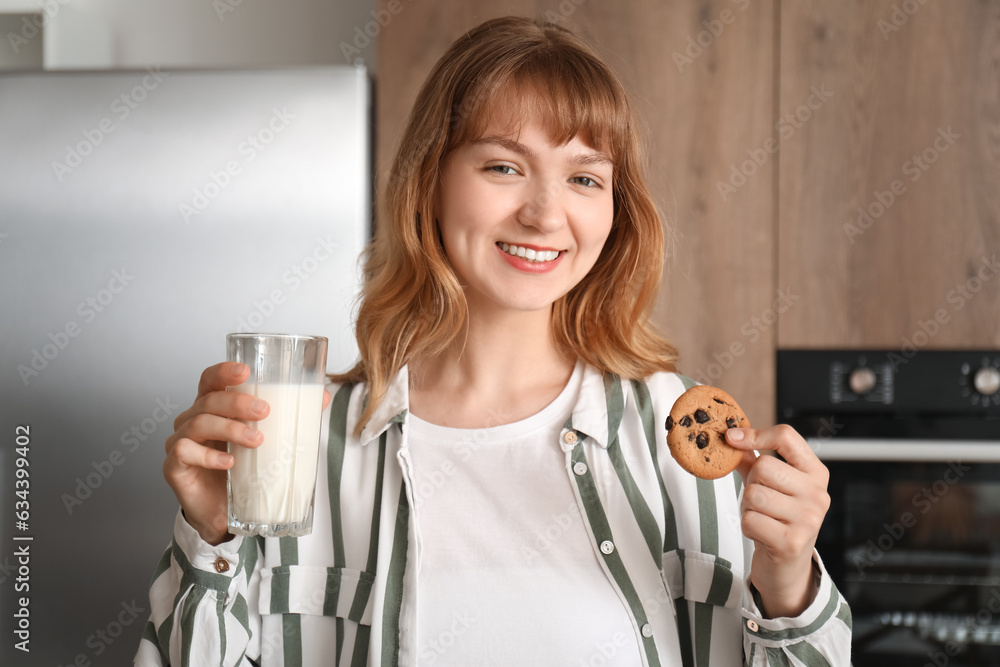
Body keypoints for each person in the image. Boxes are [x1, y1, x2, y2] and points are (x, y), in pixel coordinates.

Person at [135, 16, 851, 666]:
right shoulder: (307, 446)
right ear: (431, 181)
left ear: (613, 211)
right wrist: (213, 538)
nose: (545, 214)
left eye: (584, 178)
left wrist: (787, 581)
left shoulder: (666, 433)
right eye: (504, 166)